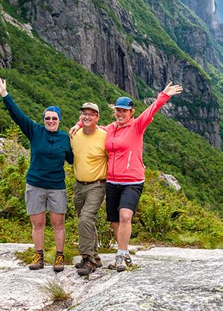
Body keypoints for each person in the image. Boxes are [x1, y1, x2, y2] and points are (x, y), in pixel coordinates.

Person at [72, 82, 182, 272]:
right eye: (118, 110)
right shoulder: (111, 128)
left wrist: (164, 95)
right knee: (115, 220)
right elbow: (94, 125)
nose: (121, 114)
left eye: (124, 111)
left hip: (132, 181)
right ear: (114, 111)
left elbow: (151, 111)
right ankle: (124, 253)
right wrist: (80, 123)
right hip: (112, 181)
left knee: (125, 216)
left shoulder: (137, 126)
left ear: (131, 112)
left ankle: (120, 256)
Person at [0, 77, 73, 271]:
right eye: (48, 118)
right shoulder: (35, 131)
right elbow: (17, 115)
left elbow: (73, 159)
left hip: (56, 186)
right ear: (43, 119)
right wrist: (5, 95)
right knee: (38, 224)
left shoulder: (66, 138)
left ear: (59, 120)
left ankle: (59, 257)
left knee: (58, 224)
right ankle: (39, 256)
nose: (51, 121)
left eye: (54, 118)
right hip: (35, 184)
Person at [70, 101, 108, 276]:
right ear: (80, 116)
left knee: (85, 219)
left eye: (91, 114)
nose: (87, 116)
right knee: (85, 220)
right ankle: (95, 256)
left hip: (97, 185)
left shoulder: (104, 136)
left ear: (97, 118)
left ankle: (88, 259)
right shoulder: (75, 134)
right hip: (79, 185)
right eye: (84, 113)